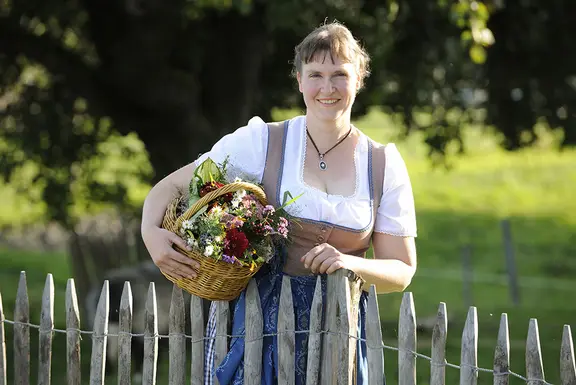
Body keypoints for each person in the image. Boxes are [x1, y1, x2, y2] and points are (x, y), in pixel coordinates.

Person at [141, 21, 417, 385]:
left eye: (339, 74)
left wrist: (348, 263)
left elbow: (401, 270)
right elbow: (172, 185)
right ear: (299, 80)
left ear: (360, 78)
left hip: (338, 334)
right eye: (315, 74)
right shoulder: (262, 143)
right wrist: (150, 232)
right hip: (255, 331)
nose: (327, 88)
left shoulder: (383, 165)